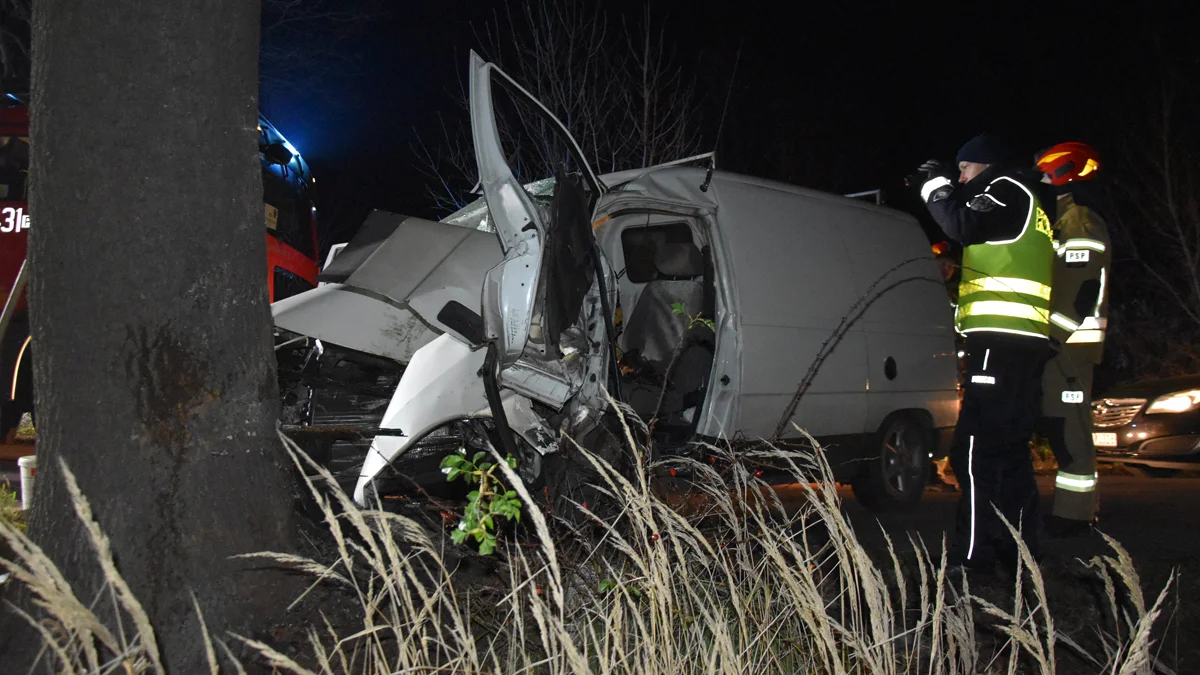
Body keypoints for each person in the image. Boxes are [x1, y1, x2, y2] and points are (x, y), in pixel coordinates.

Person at [912, 133, 1056, 574]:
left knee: (973, 450)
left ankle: (974, 557)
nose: (960, 177)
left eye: (964, 169)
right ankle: (1019, 553)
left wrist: (934, 186)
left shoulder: (1007, 189)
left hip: (1001, 342)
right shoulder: (1030, 202)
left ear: (985, 165)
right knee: (1009, 452)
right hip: (1020, 344)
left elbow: (963, 225)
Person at [1033, 142, 1111, 535]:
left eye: (1048, 174)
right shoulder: (1065, 221)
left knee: (1071, 433)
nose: (1042, 182)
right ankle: (1071, 513)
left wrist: (1054, 337)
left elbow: (1083, 290)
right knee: (1062, 429)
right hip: (1063, 348)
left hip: (1069, 350)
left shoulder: (1079, 222)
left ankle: (1076, 518)